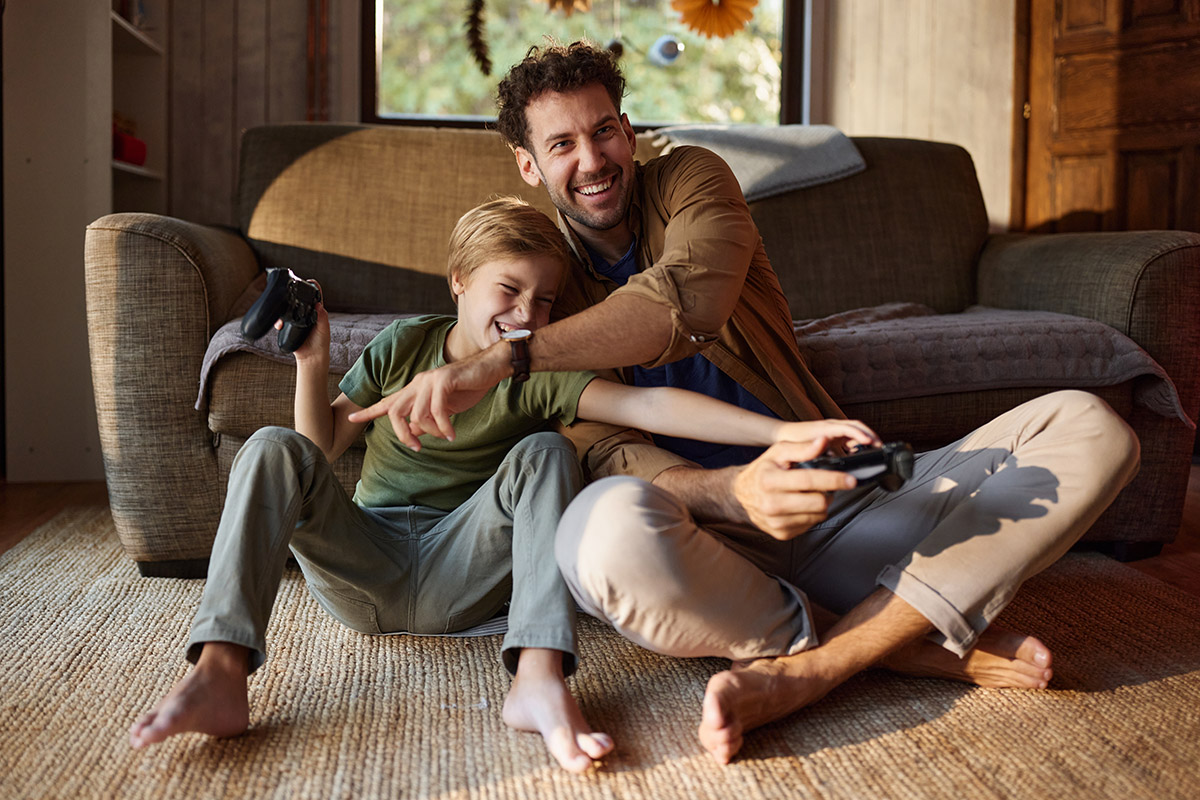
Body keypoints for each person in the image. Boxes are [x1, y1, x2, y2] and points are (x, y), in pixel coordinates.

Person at [353, 40, 1142, 766]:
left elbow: (688, 297)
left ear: (629, 132)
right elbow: (603, 449)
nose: (592, 160)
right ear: (529, 166)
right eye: (562, 145)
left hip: (835, 508)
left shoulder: (692, 177)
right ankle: (900, 636)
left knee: (1089, 426)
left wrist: (506, 360)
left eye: (604, 132)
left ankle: (814, 668)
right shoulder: (541, 286)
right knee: (593, 536)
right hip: (702, 547)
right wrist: (733, 490)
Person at [128, 196, 879, 772]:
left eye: (545, 301)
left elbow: (648, 403)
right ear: (459, 282)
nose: (526, 315)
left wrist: (780, 432)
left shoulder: (535, 374)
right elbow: (319, 452)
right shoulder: (405, 345)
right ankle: (221, 672)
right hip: (366, 564)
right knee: (272, 446)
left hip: (467, 571)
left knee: (550, 455)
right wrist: (311, 361)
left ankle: (539, 675)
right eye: (508, 290)